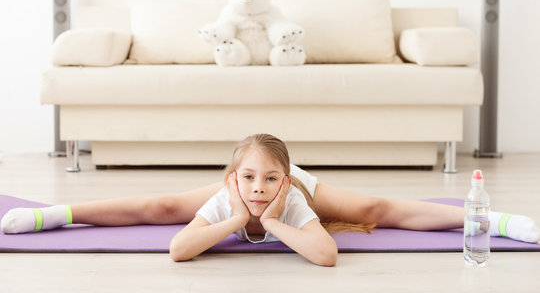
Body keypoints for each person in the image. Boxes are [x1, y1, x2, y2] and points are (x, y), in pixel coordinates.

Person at [2, 134, 539, 266]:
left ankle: (500, 219)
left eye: (268, 182)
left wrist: (278, 217)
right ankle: (53, 215)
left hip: (298, 189)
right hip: (234, 191)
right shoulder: (232, 191)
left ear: (283, 182)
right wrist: (237, 214)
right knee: (158, 206)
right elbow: (177, 248)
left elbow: (326, 255)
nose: (259, 190)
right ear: (235, 177)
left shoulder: (291, 196)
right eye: (250, 179)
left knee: (376, 210)